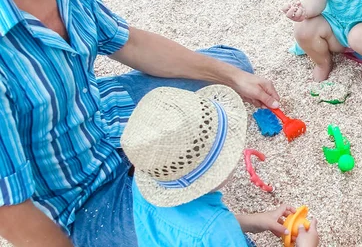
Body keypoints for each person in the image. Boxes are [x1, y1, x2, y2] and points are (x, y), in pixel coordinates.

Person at [0, 0, 280, 246]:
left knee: (230, 65)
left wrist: (233, 77)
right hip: (82, 205)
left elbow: (128, 41)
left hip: (105, 123)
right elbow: (12, 210)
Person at [120, 85, 320, 247]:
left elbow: (192, 229)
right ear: (214, 170)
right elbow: (212, 233)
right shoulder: (220, 233)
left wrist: (255, 221)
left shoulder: (152, 179)